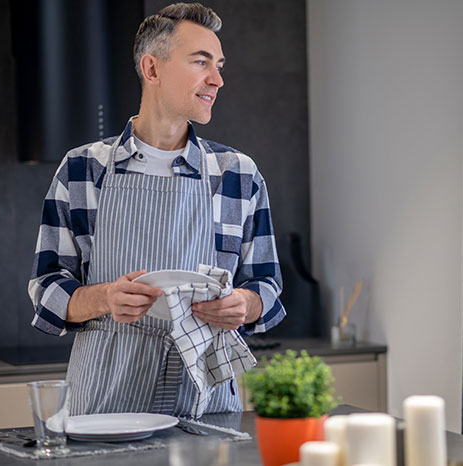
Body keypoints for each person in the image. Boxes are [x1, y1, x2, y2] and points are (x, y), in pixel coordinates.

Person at [28, 2, 285, 417]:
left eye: (219, 65)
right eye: (201, 62)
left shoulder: (237, 174)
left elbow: (267, 288)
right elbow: (47, 288)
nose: (217, 79)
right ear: (152, 69)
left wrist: (242, 304)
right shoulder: (83, 168)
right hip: (104, 404)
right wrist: (105, 298)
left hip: (206, 407)